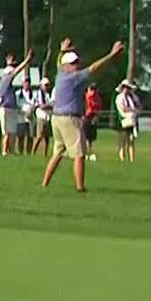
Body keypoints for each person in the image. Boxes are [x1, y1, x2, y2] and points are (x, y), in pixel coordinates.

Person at [42, 41, 124, 192]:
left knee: (58, 152)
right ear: (67, 65)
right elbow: (94, 68)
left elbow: (59, 62)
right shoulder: (74, 78)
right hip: (70, 119)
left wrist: (61, 50)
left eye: (77, 62)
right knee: (79, 153)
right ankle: (80, 187)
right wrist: (111, 55)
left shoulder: (60, 74)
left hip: (57, 118)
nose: (76, 65)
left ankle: (45, 183)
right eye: (73, 63)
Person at [0, 53, 34, 157]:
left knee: (10, 132)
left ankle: (10, 151)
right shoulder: (7, 79)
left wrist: (10, 62)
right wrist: (26, 60)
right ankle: (5, 151)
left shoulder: (2, 82)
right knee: (8, 132)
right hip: (6, 108)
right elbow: (17, 70)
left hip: (9, 108)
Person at [115, 79, 141, 163]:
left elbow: (139, 106)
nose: (127, 90)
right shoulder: (120, 97)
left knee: (131, 140)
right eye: (126, 88)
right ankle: (122, 157)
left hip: (132, 119)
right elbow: (123, 108)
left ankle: (132, 158)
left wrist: (136, 109)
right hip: (124, 120)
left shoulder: (132, 97)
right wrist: (133, 110)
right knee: (123, 139)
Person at [31, 79, 53, 156]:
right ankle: (33, 153)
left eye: (48, 85)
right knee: (39, 136)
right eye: (45, 85)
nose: (47, 87)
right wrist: (50, 105)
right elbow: (42, 106)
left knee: (46, 137)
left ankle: (44, 154)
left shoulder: (47, 94)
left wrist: (50, 105)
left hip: (47, 117)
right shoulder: (39, 93)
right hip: (41, 116)